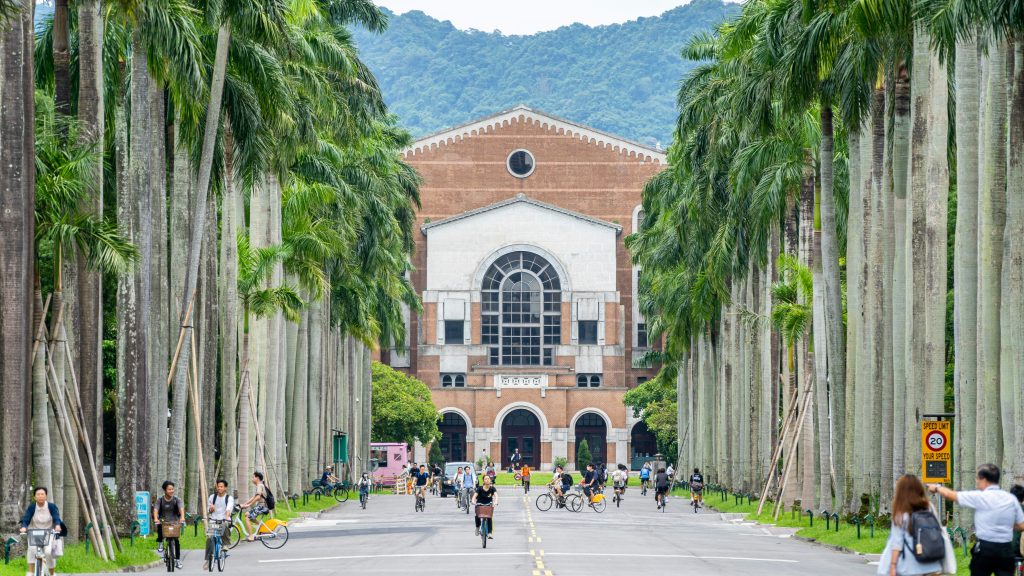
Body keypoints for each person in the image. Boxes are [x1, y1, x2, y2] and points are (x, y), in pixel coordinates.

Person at [930, 464, 1024, 576]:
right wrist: (1006, 525)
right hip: (1005, 550)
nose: (976, 481)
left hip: (985, 549)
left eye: (977, 478)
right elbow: (1021, 525)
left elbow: (952, 495)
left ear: (984, 479)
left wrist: (936, 488)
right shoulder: (1011, 499)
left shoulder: (979, 497)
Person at [878, 475, 944, 576]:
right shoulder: (928, 507)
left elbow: (897, 542)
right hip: (931, 562)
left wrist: (892, 565)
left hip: (909, 565)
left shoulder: (901, 511)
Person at [19, 487, 62, 576]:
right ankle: (31, 572)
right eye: (38, 494)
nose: (40, 496)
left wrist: (57, 525)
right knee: (32, 549)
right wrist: (24, 527)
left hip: (48, 533)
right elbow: (26, 519)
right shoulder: (32, 507)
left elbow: (56, 517)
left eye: (42, 494)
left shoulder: (51, 506)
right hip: (34, 533)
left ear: (46, 496)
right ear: (35, 497)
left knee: (48, 552)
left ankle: (52, 573)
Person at [204, 479, 234, 570]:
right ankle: (208, 560)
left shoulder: (229, 498)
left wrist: (226, 518)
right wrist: (211, 509)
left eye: (221, 487)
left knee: (225, 524)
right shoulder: (212, 497)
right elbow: (208, 510)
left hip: (224, 519)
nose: (219, 488)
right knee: (209, 539)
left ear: (225, 488)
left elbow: (228, 509)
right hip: (213, 520)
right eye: (218, 486)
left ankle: (225, 544)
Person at [154, 481, 185, 569]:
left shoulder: (176, 499)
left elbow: (181, 508)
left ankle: (178, 560)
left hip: (174, 522)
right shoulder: (160, 500)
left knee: (176, 541)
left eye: (172, 489)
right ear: (164, 490)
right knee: (160, 526)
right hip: (164, 521)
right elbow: (156, 509)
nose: (171, 491)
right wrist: (156, 519)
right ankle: (160, 542)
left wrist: (182, 517)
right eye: (169, 489)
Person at [240, 471, 270, 542]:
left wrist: (249, 505)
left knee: (248, 517)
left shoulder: (260, 485)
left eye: (253, 477)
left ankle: (251, 536)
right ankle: (261, 526)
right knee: (247, 514)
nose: (252, 479)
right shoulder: (260, 486)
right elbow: (253, 497)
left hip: (262, 506)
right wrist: (244, 504)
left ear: (257, 478)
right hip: (262, 506)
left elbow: (258, 497)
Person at [472, 474, 498, 539]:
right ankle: (477, 527)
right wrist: (473, 501)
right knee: (477, 515)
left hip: (489, 504)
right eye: (485, 479)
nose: (487, 480)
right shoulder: (480, 488)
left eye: (488, 478)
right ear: (483, 481)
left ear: (490, 480)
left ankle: (489, 533)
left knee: (489, 517)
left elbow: (496, 496)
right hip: (480, 504)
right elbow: (474, 496)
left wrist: (496, 502)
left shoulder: (492, 488)